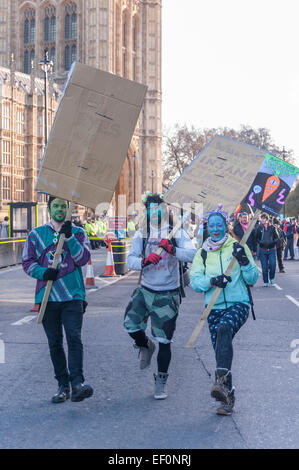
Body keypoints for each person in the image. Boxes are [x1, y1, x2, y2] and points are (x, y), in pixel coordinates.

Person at [124, 192, 196, 400]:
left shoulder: (177, 232)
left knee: (165, 340)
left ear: (166, 210)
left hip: (168, 293)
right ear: (146, 211)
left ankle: (161, 380)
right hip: (145, 290)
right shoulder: (142, 233)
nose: (155, 212)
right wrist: (145, 261)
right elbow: (131, 260)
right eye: (151, 208)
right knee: (130, 325)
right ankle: (145, 345)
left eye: (159, 208)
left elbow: (192, 254)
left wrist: (172, 249)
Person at [22, 197, 93, 404]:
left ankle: (77, 383)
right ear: (50, 209)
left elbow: (82, 259)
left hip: (73, 296)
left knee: (74, 338)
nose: (60, 209)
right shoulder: (36, 234)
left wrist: (69, 239)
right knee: (54, 343)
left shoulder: (78, 233)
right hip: (47, 297)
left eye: (64, 206)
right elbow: (27, 262)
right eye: (56, 206)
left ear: (68, 209)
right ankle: (63, 386)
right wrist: (44, 273)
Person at [190, 206, 259, 416]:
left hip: (238, 304)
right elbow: (194, 281)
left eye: (220, 225)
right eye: (212, 226)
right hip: (213, 307)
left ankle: (220, 379)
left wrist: (245, 261)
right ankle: (227, 397)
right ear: (207, 228)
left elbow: (253, 278)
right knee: (221, 348)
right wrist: (212, 281)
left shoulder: (238, 247)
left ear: (226, 226)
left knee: (225, 327)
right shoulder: (202, 252)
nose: (216, 229)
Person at [256, 212, 278, 286]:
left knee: (273, 265)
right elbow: (257, 238)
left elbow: (277, 237)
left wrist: (273, 242)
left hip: (272, 250)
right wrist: (260, 242)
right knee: (264, 267)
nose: (263, 220)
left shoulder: (272, 227)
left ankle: (272, 279)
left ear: (267, 219)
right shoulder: (259, 228)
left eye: (264, 219)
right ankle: (265, 281)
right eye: (262, 219)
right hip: (263, 250)